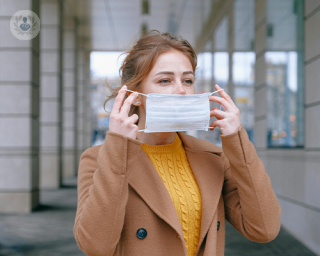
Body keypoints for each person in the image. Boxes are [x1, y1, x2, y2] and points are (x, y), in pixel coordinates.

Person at [73, 31, 281, 256]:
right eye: (165, 80)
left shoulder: (213, 157)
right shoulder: (98, 159)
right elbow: (95, 246)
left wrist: (237, 141)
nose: (181, 90)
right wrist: (117, 148)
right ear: (136, 94)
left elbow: (264, 230)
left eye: (188, 80)